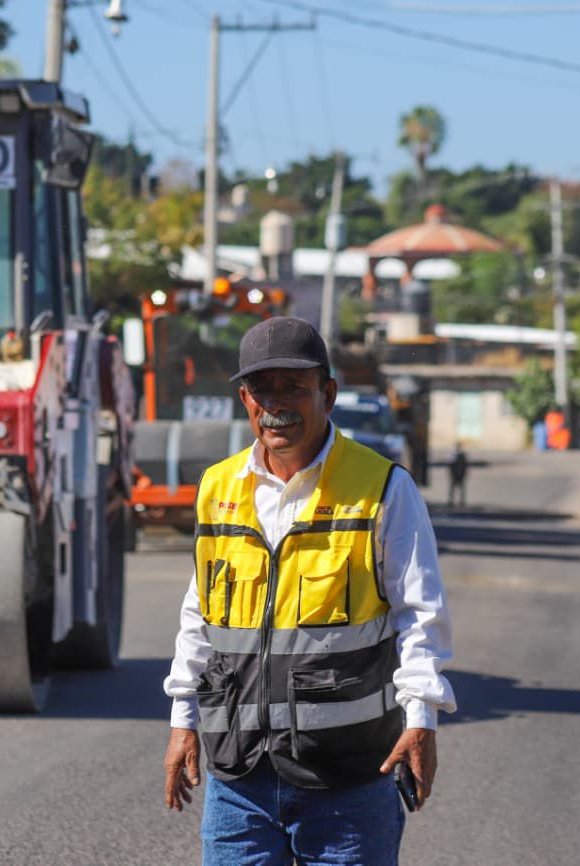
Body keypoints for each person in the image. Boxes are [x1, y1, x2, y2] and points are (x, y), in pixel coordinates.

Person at [161, 317, 456, 866]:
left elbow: (420, 614)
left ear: (328, 394)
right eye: (262, 389)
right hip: (239, 779)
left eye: (294, 387)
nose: (277, 404)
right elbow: (199, 612)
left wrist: (422, 719)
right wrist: (183, 721)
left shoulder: (383, 487)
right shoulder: (217, 487)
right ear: (245, 399)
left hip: (348, 779)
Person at [448, 442, 469, 508]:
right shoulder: (458, 455)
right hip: (457, 475)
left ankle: (458, 502)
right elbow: (451, 466)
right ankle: (454, 502)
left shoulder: (458, 455)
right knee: (456, 489)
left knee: (458, 489)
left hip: (458, 475)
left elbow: (464, 466)